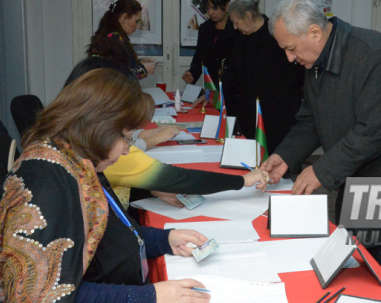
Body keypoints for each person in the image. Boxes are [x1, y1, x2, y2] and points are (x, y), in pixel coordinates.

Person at [0, 69, 212, 303]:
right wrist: (149, 299)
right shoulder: (47, 187)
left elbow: (112, 235)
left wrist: (165, 239)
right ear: (101, 128)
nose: (127, 150)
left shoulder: (77, 161)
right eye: (127, 139)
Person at [260, 0, 381, 282]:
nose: (289, 58)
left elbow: (373, 130)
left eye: (291, 49)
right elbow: (310, 120)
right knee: (355, 266)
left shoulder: (373, 54)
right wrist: (286, 156)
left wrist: (321, 170)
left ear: (315, 32)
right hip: (352, 181)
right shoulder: (316, 61)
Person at [62, 57, 270, 211]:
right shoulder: (102, 147)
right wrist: (242, 181)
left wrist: (150, 190)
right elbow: (178, 179)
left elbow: (107, 184)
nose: (127, 147)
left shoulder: (71, 135)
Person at [223, 0, 304, 153]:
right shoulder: (241, 40)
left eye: (236, 22)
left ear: (248, 16)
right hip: (249, 111)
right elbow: (232, 73)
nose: (234, 27)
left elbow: (295, 73)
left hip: (278, 112)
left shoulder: (275, 34)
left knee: (277, 157)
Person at [87, 0, 156, 80]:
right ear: (124, 18)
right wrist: (143, 70)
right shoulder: (112, 39)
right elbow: (118, 76)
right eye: (136, 21)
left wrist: (138, 62)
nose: (137, 26)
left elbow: (120, 64)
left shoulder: (113, 36)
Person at [182, 0, 238, 87]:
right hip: (211, 86)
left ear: (226, 6)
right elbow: (199, 56)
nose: (210, 12)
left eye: (215, 8)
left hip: (234, 86)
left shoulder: (236, 28)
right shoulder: (205, 28)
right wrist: (192, 73)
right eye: (208, 8)